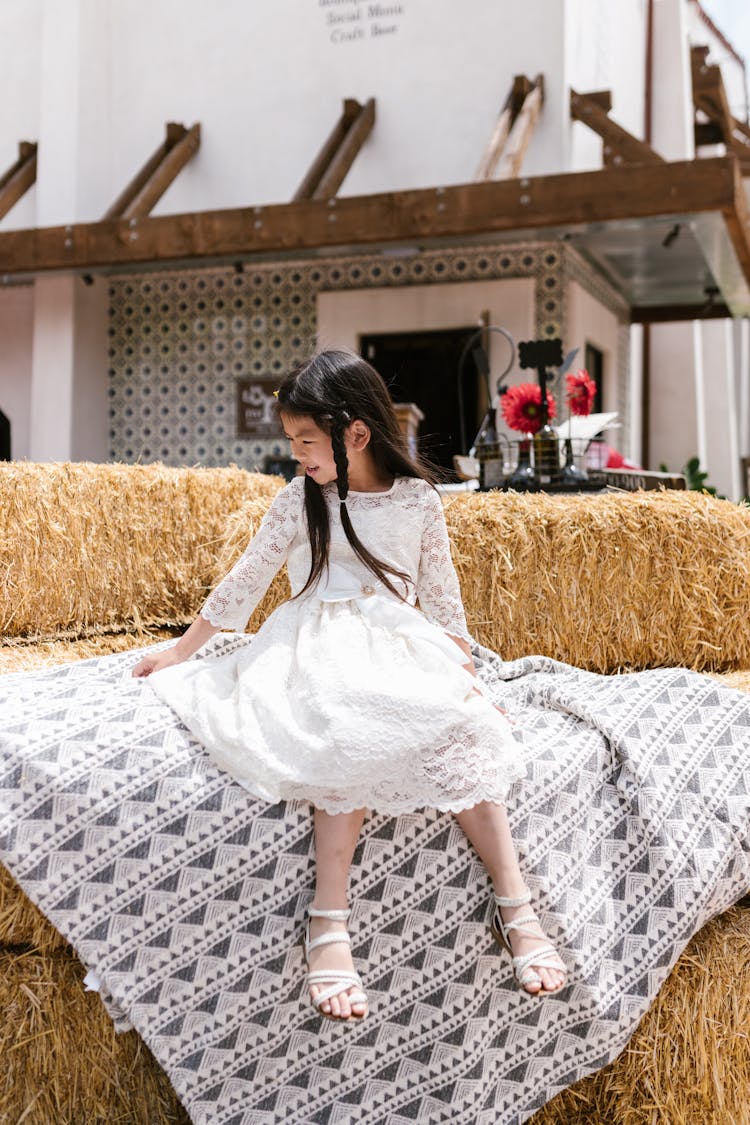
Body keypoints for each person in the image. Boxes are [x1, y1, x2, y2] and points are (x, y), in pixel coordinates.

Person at [132, 349, 567, 1021]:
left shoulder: (418, 500)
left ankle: (518, 904)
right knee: (343, 722)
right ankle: (327, 920)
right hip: (317, 639)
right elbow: (245, 581)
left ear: (355, 433)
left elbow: (442, 601)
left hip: (400, 640)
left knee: (467, 728)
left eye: (307, 440)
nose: (298, 453)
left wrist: (467, 677)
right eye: (293, 441)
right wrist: (182, 652)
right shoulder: (297, 499)